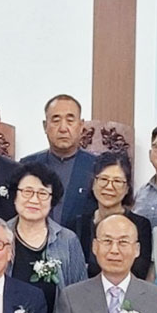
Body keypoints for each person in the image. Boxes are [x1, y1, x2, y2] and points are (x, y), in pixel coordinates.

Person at [5, 162, 87, 313]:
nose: (34, 200)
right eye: (27, 192)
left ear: (52, 200)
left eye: (43, 193)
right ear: (15, 196)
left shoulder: (67, 240)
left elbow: (80, 294)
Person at [20, 94, 97, 229]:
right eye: (56, 120)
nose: (63, 128)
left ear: (81, 125)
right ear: (45, 126)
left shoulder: (96, 166)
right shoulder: (27, 165)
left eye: (70, 120)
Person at [73, 152, 152, 279]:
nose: (109, 187)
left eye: (117, 181)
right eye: (103, 179)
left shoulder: (140, 226)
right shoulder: (78, 225)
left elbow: (139, 272)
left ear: (127, 188)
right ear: (93, 183)